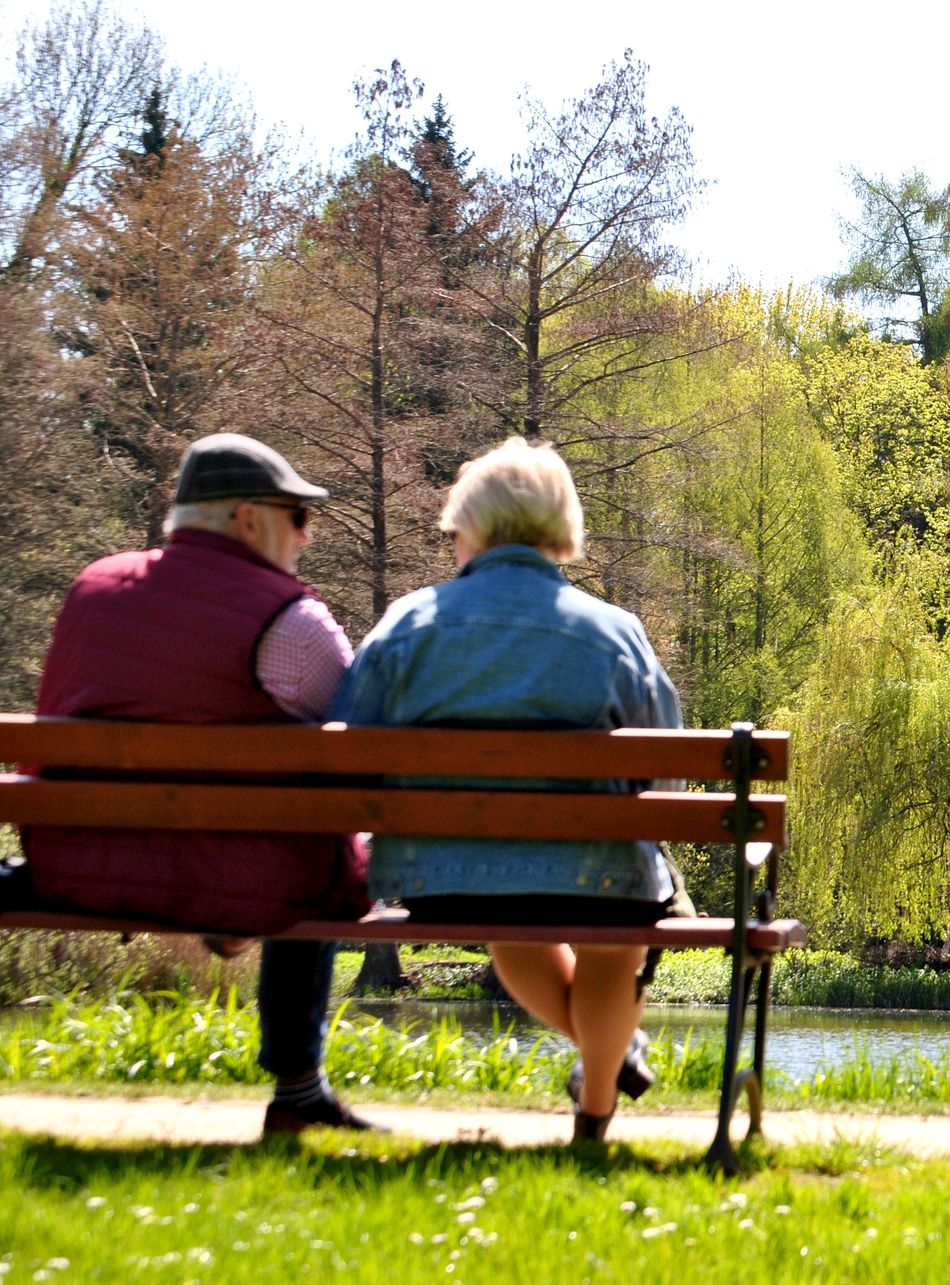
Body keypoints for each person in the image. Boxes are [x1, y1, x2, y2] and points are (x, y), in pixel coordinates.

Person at [24, 432, 379, 1135]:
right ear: (247, 519)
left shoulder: (93, 589)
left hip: (79, 867)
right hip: (252, 882)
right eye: (298, 516)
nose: (306, 536)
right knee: (317, 840)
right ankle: (298, 1089)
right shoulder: (291, 620)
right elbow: (358, 742)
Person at [329, 437, 680, 1142]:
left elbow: (347, 754)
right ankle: (596, 1110)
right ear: (561, 524)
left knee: (510, 919)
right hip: (599, 878)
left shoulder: (406, 624)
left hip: (443, 880)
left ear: (470, 525)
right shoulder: (615, 632)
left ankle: (606, 1060)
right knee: (615, 938)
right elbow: (663, 774)